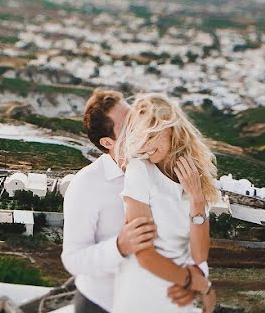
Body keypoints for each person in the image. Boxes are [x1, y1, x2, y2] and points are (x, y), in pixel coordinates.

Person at [62, 89, 196, 313]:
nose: (140, 126)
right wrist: (119, 246)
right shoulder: (86, 185)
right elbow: (73, 259)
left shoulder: (158, 164)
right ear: (107, 142)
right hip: (102, 305)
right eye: (128, 125)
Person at [112, 93, 218, 313]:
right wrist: (199, 284)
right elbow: (144, 254)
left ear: (170, 129)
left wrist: (197, 198)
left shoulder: (197, 178)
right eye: (139, 138)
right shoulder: (140, 171)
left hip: (179, 295)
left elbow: (199, 255)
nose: (144, 147)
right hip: (144, 290)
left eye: (150, 137)